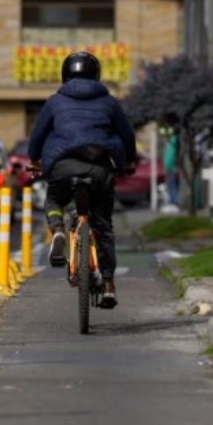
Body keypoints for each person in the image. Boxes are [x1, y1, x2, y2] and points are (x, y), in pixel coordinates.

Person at [29, 51, 136, 309]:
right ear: (96, 75)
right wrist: (128, 161)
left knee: (54, 199)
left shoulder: (55, 101)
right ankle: (109, 284)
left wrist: (34, 159)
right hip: (100, 169)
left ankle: (57, 230)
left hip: (63, 167)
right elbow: (127, 135)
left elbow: (38, 135)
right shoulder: (109, 102)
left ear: (65, 74)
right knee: (103, 226)